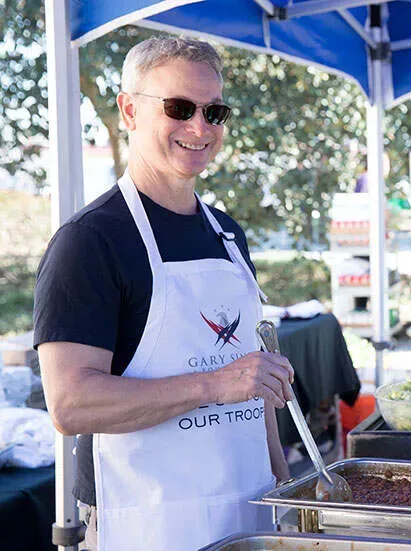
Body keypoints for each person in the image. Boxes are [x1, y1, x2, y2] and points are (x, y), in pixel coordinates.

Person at [34, 36, 295, 551]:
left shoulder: (227, 234)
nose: (200, 128)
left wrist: (286, 488)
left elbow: (251, 378)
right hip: (147, 521)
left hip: (249, 510)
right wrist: (213, 384)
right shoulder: (90, 241)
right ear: (129, 110)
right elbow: (71, 405)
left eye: (214, 112)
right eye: (178, 108)